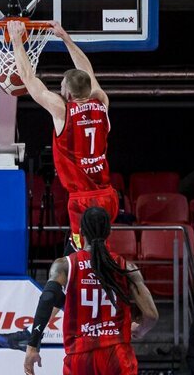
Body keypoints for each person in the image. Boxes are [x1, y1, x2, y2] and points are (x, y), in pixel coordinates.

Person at [23, 207, 158, 375]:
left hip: (80, 355)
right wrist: (139, 329)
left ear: (80, 232)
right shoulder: (125, 267)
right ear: (108, 232)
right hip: (116, 352)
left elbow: (47, 299)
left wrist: (32, 347)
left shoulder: (65, 264)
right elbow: (151, 315)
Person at [8, 20, 119, 251]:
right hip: (108, 196)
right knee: (97, 252)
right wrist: (66, 38)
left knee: (87, 260)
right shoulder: (101, 100)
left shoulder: (62, 111)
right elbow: (87, 72)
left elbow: (29, 80)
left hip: (83, 199)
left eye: (61, 85)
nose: (59, 88)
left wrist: (17, 41)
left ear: (67, 91)